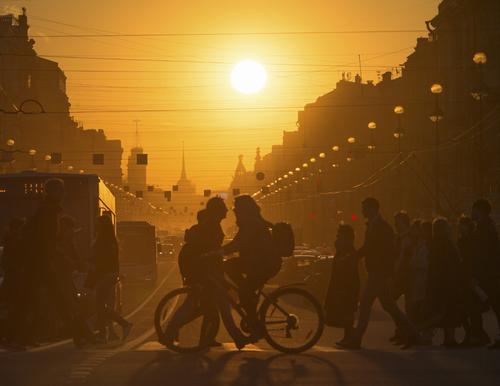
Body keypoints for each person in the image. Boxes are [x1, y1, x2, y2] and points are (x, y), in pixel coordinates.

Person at [338, 197, 420, 349]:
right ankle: (414, 333)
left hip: (378, 272)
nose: (362, 211)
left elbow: (382, 251)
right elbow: (369, 247)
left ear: (372, 209)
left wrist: (354, 257)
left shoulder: (382, 227)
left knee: (365, 304)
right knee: (389, 306)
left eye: (364, 208)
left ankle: (356, 339)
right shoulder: (374, 225)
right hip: (377, 271)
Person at [24, 178, 92, 347]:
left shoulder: (48, 210)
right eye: (61, 191)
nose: (63, 194)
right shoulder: (48, 211)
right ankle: (81, 335)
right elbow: (47, 239)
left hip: (42, 261)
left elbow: (48, 237)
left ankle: (80, 335)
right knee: (58, 299)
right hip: (43, 261)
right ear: (53, 192)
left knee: (47, 300)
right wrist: (60, 250)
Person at [222, 195, 282, 334]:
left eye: (236, 209)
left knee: (244, 291)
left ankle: (256, 325)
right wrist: (222, 250)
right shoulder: (250, 223)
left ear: (244, 210)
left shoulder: (252, 224)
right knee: (231, 268)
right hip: (256, 262)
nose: (234, 211)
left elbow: (238, 244)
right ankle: (249, 297)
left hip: (264, 265)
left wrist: (219, 252)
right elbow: (237, 243)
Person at [92, 215, 132, 343]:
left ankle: (124, 324)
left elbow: (101, 259)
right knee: (102, 305)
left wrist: (91, 262)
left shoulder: (103, 241)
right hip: (109, 275)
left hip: (104, 275)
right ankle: (105, 333)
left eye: (98, 224)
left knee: (100, 306)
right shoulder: (111, 240)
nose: (96, 226)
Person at [425, 218, 463, 347]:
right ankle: (449, 338)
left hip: (438, 282)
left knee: (442, 310)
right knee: (449, 310)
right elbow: (453, 263)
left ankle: (446, 337)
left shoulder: (434, 244)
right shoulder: (447, 244)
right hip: (448, 281)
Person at [470, 199, 500, 349]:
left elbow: (481, 255)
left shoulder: (483, 229)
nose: (471, 212)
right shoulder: (488, 226)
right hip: (491, 273)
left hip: (489, 274)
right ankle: (478, 334)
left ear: (479, 210)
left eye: (473, 209)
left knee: (495, 304)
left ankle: (479, 335)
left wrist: (477, 275)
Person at [324, 224, 359, 346]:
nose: (337, 238)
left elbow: (350, 272)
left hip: (347, 286)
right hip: (340, 284)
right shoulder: (343, 250)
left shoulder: (349, 252)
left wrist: (344, 288)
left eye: (339, 235)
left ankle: (351, 337)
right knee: (345, 312)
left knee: (347, 313)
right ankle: (348, 337)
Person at [458, 215, 490, 347]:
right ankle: (475, 335)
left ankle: (477, 336)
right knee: (466, 309)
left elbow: (475, 260)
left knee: (473, 309)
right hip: (464, 277)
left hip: (471, 277)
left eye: (462, 224)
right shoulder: (461, 240)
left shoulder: (473, 240)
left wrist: (475, 277)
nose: (460, 227)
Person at [1, 218, 27, 349]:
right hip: (14, 281)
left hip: (14, 280)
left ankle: (12, 338)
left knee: (14, 311)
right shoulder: (13, 243)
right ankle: (12, 339)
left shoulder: (12, 242)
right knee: (14, 311)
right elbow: (9, 263)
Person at [391, 211, 413, 344]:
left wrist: (395, 272)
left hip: (406, 275)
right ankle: (400, 331)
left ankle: (406, 332)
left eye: (397, 222)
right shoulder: (397, 237)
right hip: (398, 274)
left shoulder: (408, 238)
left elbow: (402, 257)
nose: (395, 225)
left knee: (408, 306)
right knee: (391, 304)